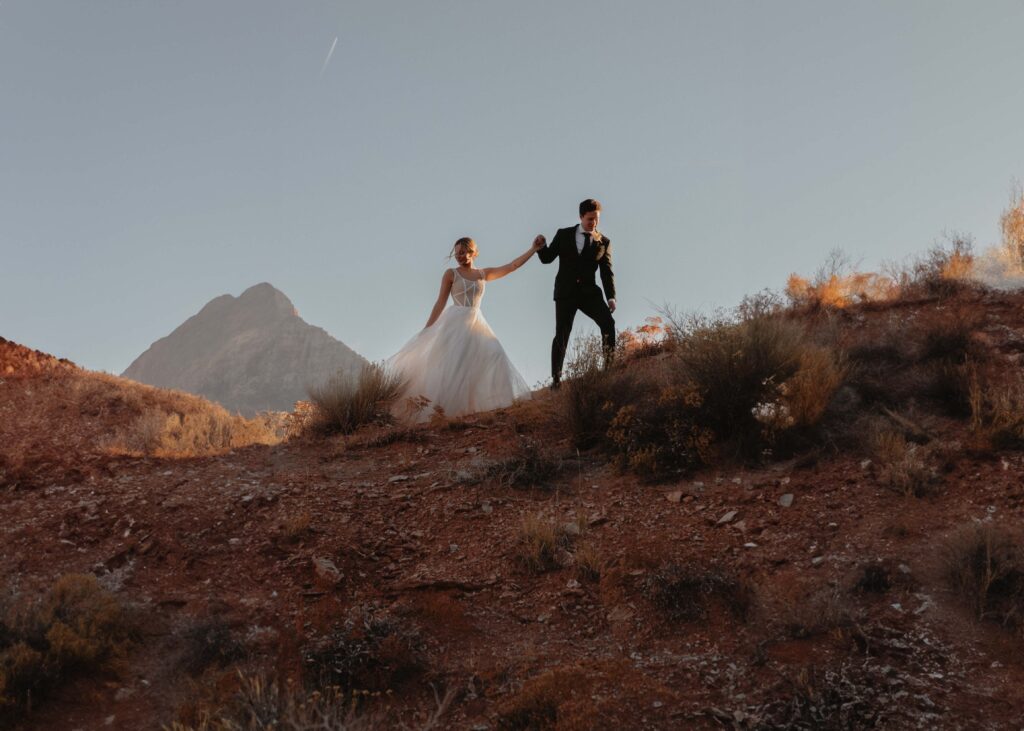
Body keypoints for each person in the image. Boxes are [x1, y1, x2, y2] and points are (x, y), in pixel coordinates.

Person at [388, 236, 541, 421]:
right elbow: (440, 303)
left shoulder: (483, 274)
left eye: (462, 253)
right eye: (456, 253)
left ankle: (496, 403)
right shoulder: (451, 274)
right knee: (455, 367)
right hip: (455, 324)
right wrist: (427, 329)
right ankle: (442, 413)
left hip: (477, 324)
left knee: (495, 355)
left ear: (472, 252)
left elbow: (512, 266)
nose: (459, 256)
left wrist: (533, 249)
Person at [535, 198, 617, 389]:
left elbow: (607, 272)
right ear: (581, 217)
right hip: (566, 292)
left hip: (590, 293)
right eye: (590, 219)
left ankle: (609, 371)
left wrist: (611, 297)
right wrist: (541, 247)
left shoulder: (604, 242)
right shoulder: (563, 235)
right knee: (562, 334)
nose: (594, 223)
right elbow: (547, 258)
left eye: (596, 219)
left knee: (608, 323)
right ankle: (556, 381)